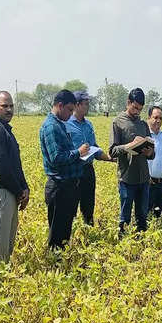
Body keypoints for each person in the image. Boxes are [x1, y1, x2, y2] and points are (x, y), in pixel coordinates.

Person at [0, 91, 29, 264]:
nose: (9, 109)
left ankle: (3, 285)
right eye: (4, 106)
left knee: (7, 245)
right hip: (1, 193)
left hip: (10, 192)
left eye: (11, 105)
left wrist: (25, 188)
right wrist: (19, 191)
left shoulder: (5, 129)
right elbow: (2, 168)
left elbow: (15, 165)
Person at [39, 90, 89, 250]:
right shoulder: (51, 127)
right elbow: (56, 158)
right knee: (57, 236)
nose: (71, 114)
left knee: (64, 232)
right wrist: (78, 152)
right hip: (59, 188)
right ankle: (55, 267)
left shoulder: (59, 124)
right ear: (59, 105)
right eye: (69, 110)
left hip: (67, 187)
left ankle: (62, 263)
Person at [109, 88, 154, 237]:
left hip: (143, 178)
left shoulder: (143, 124)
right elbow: (112, 151)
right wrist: (129, 146)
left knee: (142, 217)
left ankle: (141, 247)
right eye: (135, 108)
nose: (137, 112)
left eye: (140, 109)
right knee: (125, 218)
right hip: (127, 178)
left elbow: (151, 153)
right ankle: (123, 244)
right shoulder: (118, 122)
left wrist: (150, 152)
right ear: (128, 102)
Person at [66, 91, 112, 226]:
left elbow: (94, 148)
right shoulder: (66, 124)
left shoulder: (89, 125)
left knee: (88, 205)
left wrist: (109, 158)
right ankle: (70, 236)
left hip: (88, 171)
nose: (88, 107)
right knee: (71, 206)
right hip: (73, 171)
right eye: (86, 104)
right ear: (77, 105)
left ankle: (88, 230)